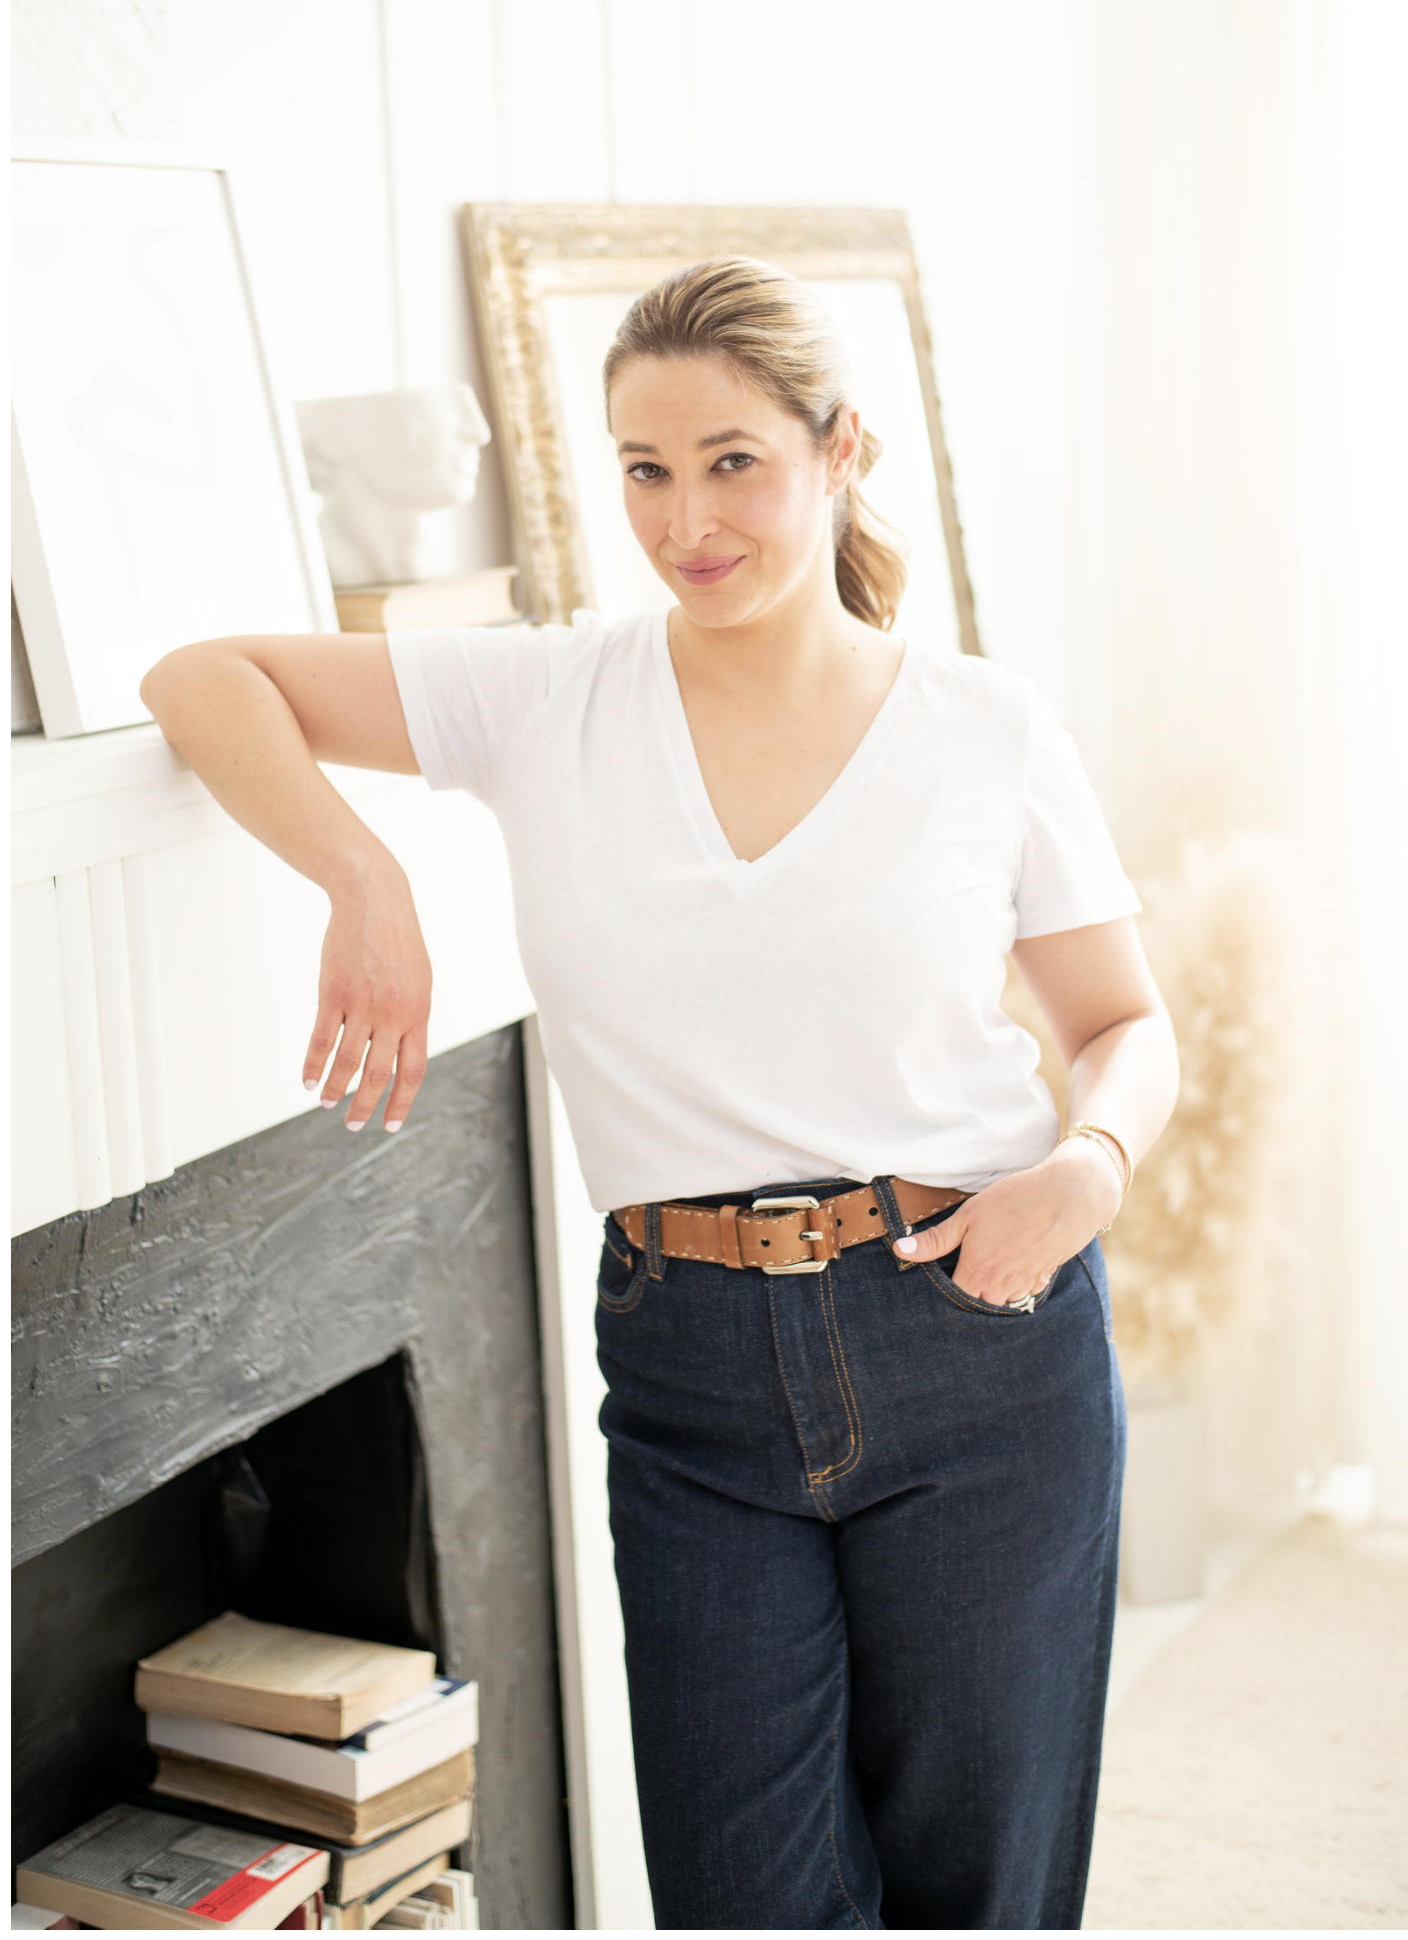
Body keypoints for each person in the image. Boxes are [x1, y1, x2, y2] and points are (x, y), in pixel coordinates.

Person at [141, 257, 1179, 1931]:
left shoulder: (987, 729)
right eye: (645, 468)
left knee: (979, 1889)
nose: (686, 518)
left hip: (977, 1330)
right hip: (693, 1372)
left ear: (840, 452)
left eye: (732, 462)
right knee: (737, 1894)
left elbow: (1125, 1019)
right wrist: (365, 879)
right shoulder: (551, 694)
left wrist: (1093, 1167)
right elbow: (203, 679)